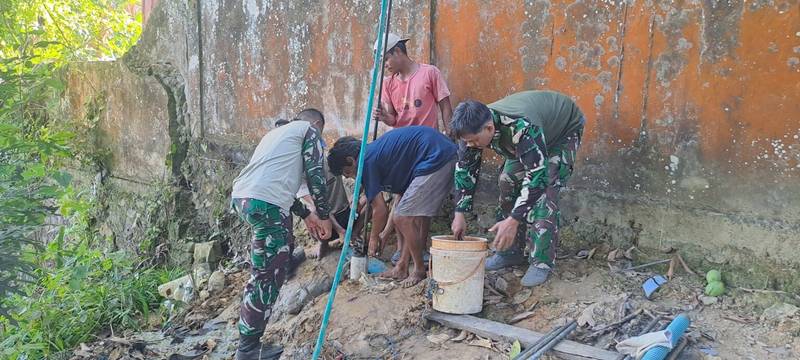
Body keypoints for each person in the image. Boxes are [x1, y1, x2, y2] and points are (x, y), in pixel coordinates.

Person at [450, 90, 585, 287]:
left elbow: (536, 178)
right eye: (467, 141)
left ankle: (541, 262)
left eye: (474, 141)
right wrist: (459, 212)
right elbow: (465, 170)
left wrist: (513, 220)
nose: (470, 145)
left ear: (489, 128)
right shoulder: (470, 131)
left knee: (545, 189)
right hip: (529, 139)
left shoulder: (521, 127)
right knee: (507, 180)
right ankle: (510, 252)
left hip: (561, 132)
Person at [230, 109, 333, 360]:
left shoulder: (277, 134)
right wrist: (324, 214)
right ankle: (248, 350)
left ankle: (283, 262)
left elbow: (280, 181)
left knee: (277, 250)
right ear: (317, 124)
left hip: (243, 197)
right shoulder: (309, 131)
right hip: (267, 203)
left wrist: (306, 214)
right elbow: (316, 176)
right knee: (265, 276)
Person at [328, 126, 457, 287]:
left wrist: (375, 237)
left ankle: (418, 271)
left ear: (350, 160)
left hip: (437, 157)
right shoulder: (372, 155)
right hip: (438, 155)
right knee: (406, 214)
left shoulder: (366, 161)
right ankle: (402, 267)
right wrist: (374, 233)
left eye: (347, 173)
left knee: (402, 217)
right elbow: (393, 201)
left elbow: (381, 210)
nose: (351, 177)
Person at [371, 33, 455, 263]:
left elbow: (445, 107)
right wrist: (385, 117)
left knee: (421, 203)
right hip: (401, 152)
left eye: (386, 59)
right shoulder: (388, 83)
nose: (385, 65)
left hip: (427, 149)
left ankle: (421, 247)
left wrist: (450, 135)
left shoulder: (430, 73)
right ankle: (401, 249)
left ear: (398, 51)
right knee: (401, 197)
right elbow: (393, 118)